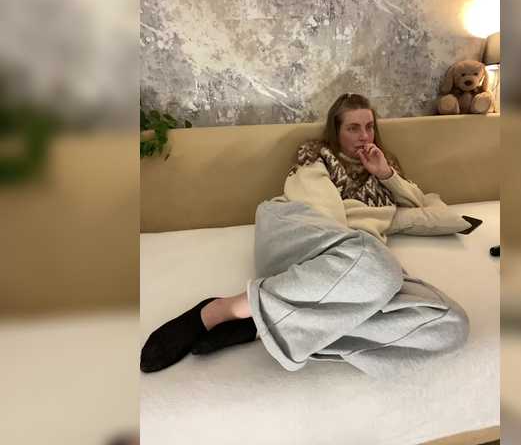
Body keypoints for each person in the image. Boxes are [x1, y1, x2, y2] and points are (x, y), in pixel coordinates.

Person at [141, 93, 469, 376]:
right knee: (380, 266)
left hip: (357, 268)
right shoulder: (315, 154)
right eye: (353, 128)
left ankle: (268, 323)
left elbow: (423, 207)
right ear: (336, 130)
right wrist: (357, 257)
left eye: (369, 127)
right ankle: (219, 311)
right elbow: (323, 209)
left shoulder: (385, 166)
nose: (363, 136)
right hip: (304, 231)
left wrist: (385, 173)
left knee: (451, 324)